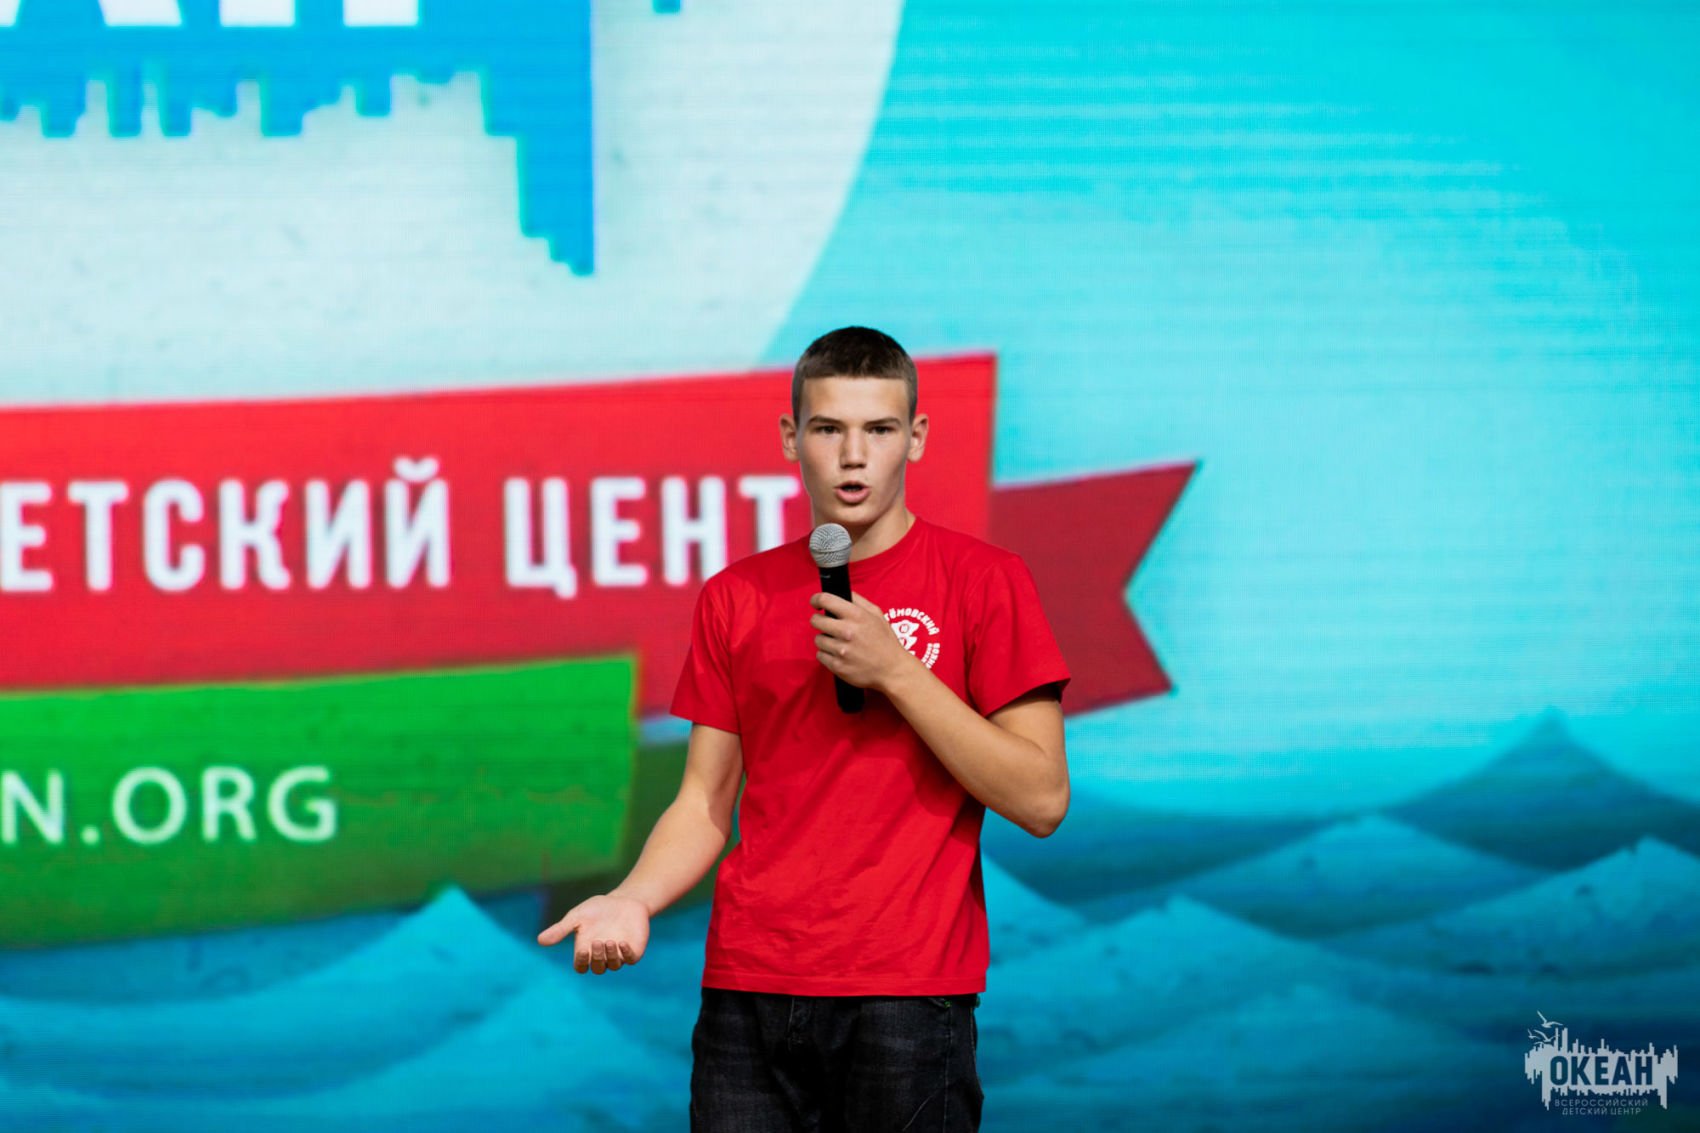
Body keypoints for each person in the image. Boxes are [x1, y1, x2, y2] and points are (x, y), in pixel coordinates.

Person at [538, 326, 1071, 1132]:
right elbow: (704, 800)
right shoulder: (738, 595)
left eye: (879, 429)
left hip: (906, 994)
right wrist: (632, 898)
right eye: (829, 429)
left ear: (917, 437)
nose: (854, 456)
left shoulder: (984, 581)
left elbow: (1041, 798)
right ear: (792, 438)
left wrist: (898, 671)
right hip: (749, 990)